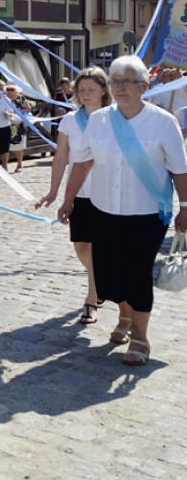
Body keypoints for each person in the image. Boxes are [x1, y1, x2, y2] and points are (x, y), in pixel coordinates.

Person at [58, 55, 187, 366]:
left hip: (145, 214)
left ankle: (141, 338)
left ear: (144, 85)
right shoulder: (100, 119)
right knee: (111, 273)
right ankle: (124, 317)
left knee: (137, 273)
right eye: (115, 81)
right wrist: (69, 198)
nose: (120, 87)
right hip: (103, 211)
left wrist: (185, 206)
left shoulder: (163, 122)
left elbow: (180, 170)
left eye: (127, 81)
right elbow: (84, 160)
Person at [35, 67, 111, 324]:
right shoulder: (69, 120)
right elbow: (61, 158)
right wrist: (54, 191)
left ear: (103, 90)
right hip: (79, 192)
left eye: (91, 89)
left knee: (101, 245)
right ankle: (100, 283)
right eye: (81, 90)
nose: (86, 94)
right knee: (81, 246)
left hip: (109, 192)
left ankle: (92, 298)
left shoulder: (114, 117)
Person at [5, 84, 32, 173]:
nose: (9, 92)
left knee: (19, 145)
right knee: (5, 146)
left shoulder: (21, 98)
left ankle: (19, 164)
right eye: (8, 90)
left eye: (12, 90)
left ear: (16, 91)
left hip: (18, 125)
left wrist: (18, 112)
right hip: (5, 124)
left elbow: (28, 109)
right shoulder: (4, 98)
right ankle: (5, 165)